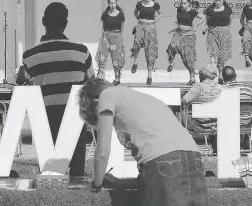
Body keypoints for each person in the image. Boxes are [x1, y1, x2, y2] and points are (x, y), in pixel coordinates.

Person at [77, 78, 208, 206]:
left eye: (96, 116)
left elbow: (102, 152)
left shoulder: (106, 95)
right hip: (194, 159)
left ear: (96, 103)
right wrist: (117, 182)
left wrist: (96, 184)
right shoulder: (139, 98)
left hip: (160, 160)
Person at [18, 2, 95, 177]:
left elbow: (22, 81)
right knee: (76, 176)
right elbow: (91, 83)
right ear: (65, 24)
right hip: (74, 117)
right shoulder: (81, 51)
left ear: (43, 21)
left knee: (48, 176)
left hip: (45, 119)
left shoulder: (29, 56)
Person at [181, 63, 223, 154]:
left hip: (200, 125)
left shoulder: (198, 87)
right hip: (218, 126)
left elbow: (184, 101)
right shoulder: (222, 88)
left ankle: (186, 150)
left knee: (182, 119)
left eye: (200, 74)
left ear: (203, 75)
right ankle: (216, 150)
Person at [167, 0, 206, 86]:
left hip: (188, 35)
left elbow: (203, 17)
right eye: (182, 3)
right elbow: (179, 21)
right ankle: (171, 63)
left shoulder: (192, 11)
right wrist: (175, 28)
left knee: (188, 57)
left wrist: (196, 25)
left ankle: (192, 79)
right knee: (172, 46)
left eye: (185, 3)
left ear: (189, 3)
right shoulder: (179, 9)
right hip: (178, 33)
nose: (183, 5)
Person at [131, 0, 163, 86]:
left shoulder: (155, 4)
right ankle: (135, 63)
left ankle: (149, 76)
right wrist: (139, 20)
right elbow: (135, 12)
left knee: (150, 50)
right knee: (136, 44)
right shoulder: (139, 4)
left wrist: (155, 20)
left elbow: (161, 14)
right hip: (140, 26)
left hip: (151, 28)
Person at [221, 66, 252, 149]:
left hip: (229, 123)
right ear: (235, 75)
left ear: (223, 78)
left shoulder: (221, 90)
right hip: (246, 122)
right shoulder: (248, 89)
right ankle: (244, 136)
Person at [96, 0, 125, 85]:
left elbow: (122, 28)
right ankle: (100, 77)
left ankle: (117, 79)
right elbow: (103, 27)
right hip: (106, 36)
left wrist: (119, 38)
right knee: (102, 57)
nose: (113, 5)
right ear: (108, 4)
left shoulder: (120, 14)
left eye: (114, 3)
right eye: (111, 3)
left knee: (115, 59)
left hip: (116, 37)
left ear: (116, 3)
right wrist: (103, 37)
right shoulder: (105, 14)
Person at [204, 0, 233, 84]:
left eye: (220, 0)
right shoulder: (210, 9)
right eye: (216, 0)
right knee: (213, 52)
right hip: (213, 32)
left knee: (222, 54)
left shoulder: (227, 9)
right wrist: (211, 28)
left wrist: (225, 29)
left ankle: (220, 74)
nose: (218, 2)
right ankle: (212, 74)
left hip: (224, 33)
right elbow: (207, 20)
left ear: (223, 1)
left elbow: (230, 21)